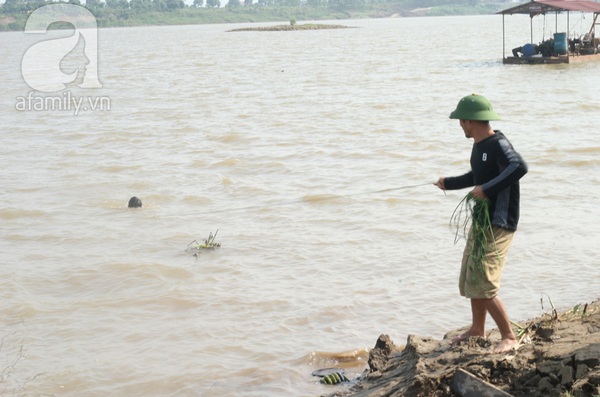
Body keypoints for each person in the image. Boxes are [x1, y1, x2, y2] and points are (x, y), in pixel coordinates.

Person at [434, 94, 528, 354]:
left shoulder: (498, 143)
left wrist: (487, 189)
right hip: (482, 219)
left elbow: (518, 166)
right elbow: (477, 176)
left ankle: (509, 336)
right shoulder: (479, 145)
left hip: (499, 220)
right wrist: (448, 183)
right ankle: (478, 328)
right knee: (472, 274)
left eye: (460, 121)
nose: (460, 126)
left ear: (469, 121)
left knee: (485, 281)